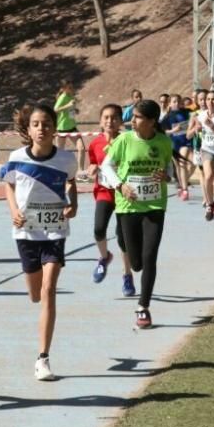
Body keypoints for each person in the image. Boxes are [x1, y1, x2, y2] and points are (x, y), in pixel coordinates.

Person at [0, 103, 77, 381]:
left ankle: (42, 358)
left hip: (55, 232)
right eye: (36, 124)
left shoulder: (67, 159)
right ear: (29, 129)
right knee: (35, 294)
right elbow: (8, 184)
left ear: (55, 128)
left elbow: (70, 182)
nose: (41, 128)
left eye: (46, 123)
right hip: (26, 233)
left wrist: (73, 203)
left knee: (49, 289)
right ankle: (38, 297)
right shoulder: (17, 157)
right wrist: (13, 212)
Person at [100, 100, 173, 329]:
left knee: (150, 256)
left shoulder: (163, 141)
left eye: (138, 117)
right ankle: (126, 249)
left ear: (152, 122)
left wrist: (166, 177)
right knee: (137, 263)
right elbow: (107, 166)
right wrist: (120, 186)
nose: (133, 121)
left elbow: (168, 168)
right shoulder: (124, 140)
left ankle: (143, 307)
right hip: (128, 207)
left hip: (154, 206)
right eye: (132, 117)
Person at [87, 104, 135, 296]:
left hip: (123, 192)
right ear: (100, 121)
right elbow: (93, 162)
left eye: (114, 118)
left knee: (123, 238)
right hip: (104, 191)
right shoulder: (95, 143)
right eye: (106, 117)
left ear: (121, 121)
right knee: (99, 229)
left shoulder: (127, 140)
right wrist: (92, 168)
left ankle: (127, 275)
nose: (110, 121)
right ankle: (104, 257)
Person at [188, 89, 214, 227]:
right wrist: (197, 128)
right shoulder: (201, 115)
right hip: (207, 150)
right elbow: (195, 129)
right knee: (208, 177)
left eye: (213, 99)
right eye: (208, 99)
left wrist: (211, 125)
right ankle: (209, 204)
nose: (210, 102)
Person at [161, 94, 194, 200]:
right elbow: (162, 132)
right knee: (179, 166)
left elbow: (195, 116)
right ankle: (182, 187)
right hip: (174, 143)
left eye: (178, 101)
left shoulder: (187, 112)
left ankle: (184, 187)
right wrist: (172, 131)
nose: (176, 104)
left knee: (188, 163)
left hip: (186, 141)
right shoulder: (167, 117)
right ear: (170, 104)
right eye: (174, 101)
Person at [54, 80, 86, 179]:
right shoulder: (63, 97)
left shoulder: (71, 96)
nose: (72, 89)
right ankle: (57, 172)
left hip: (72, 127)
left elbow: (70, 110)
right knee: (59, 153)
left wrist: (74, 109)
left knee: (82, 148)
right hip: (62, 128)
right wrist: (68, 106)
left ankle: (80, 171)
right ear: (64, 89)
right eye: (69, 87)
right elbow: (55, 109)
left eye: (72, 87)